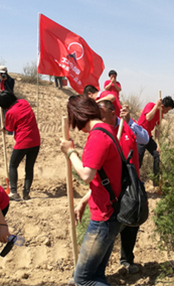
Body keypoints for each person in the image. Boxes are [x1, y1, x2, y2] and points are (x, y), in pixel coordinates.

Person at [75, 100, 148, 275]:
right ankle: (89, 273)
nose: (97, 113)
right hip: (112, 195)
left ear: (112, 111)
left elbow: (145, 138)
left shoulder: (125, 130)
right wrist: (85, 200)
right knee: (107, 234)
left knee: (130, 228)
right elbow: (102, 177)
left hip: (130, 191)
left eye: (100, 108)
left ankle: (125, 261)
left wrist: (130, 121)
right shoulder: (101, 134)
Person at [60, 95, 122, 286]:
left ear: (77, 115)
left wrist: (70, 152)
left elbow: (86, 175)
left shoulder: (98, 136)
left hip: (104, 216)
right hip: (110, 212)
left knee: (83, 279)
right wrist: (84, 200)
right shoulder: (107, 130)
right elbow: (102, 178)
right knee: (96, 274)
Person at [0, 91, 41, 201]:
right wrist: (2, 94)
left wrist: (4, 128)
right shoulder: (24, 102)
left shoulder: (10, 112)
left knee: (13, 165)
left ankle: (13, 192)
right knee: (29, 167)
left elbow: (10, 129)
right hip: (35, 141)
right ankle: (26, 193)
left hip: (23, 141)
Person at [137, 96, 174, 185]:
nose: (167, 112)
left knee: (157, 155)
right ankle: (135, 181)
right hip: (139, 136)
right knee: (138, 161)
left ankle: (156, 180)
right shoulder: (150, 105)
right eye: (167, 110)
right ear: (162, 106)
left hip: (148, 137)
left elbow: (157, 130)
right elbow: (148, 118)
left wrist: (158, 144)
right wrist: (156, 106)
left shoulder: (161, 114)